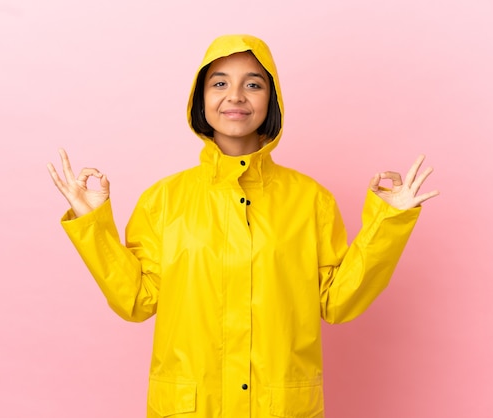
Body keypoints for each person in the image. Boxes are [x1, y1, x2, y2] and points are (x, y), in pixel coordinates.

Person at [47, 34, 439, 418]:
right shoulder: (163, 200)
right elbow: (135, 302)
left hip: (279, 408)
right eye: (219, 83)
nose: (235, 96)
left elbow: (337, 303)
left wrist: (388, 224)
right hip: (191, 409)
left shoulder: (311, 200)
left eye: (253, 84)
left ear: (273, 101)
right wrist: (91, 224)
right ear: (201, 99)